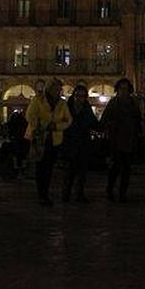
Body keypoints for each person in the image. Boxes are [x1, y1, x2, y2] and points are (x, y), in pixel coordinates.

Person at [24, 78, 73, 206]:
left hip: (55, 139)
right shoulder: (38, 100)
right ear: (48, 88)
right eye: (54, 87)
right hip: (40, 138)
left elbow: (68, 120)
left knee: (49, 167)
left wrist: (56, 126)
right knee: (41, 167)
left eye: (58, 88)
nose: (56, 90)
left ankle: (45, 192)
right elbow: (30, 116)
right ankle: (42, 194)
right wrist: (45, 125)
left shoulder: (62, 103)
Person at [101, 78, 144, 203]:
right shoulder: (113, 103)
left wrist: (139, 131)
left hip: (129, 140)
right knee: (115, 168)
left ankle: (122, 193)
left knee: (126, 169)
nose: (124, 91)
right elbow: (105, 119)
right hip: (116, 140)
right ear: (117, 90)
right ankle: (110, 190)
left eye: (126, 89)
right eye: (121, 89)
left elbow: (138, 119)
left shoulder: (133, 103)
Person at [62, 84, 98, 203]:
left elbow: (94, 123)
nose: (79, 98)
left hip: (83, 143)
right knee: (69, 171)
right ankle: (66, 194)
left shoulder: (87, 109)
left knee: (82, 172)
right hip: (69, 142)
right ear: (73, 96)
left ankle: (79, 194)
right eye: (77, 95)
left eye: (82, 96)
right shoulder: (67, 108)